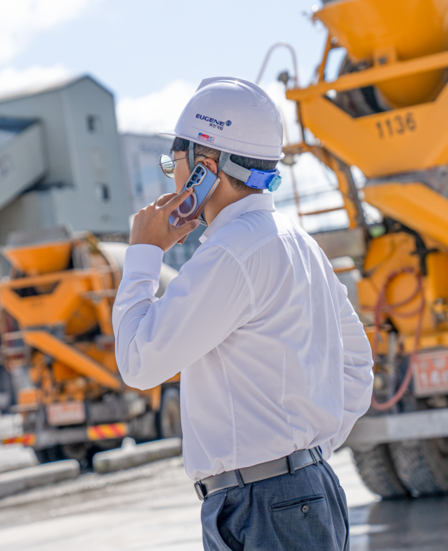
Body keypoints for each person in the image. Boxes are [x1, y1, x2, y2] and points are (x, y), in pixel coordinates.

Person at [113, 77, 374, 551]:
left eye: (174, 162)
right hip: (296, 493)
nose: (170, 174)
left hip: (262, 504)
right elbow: (357, 365)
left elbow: (138, 361)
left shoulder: (232, 254)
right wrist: (306, 456)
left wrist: (144, 252)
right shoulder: (297, 242)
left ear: (204, 168)